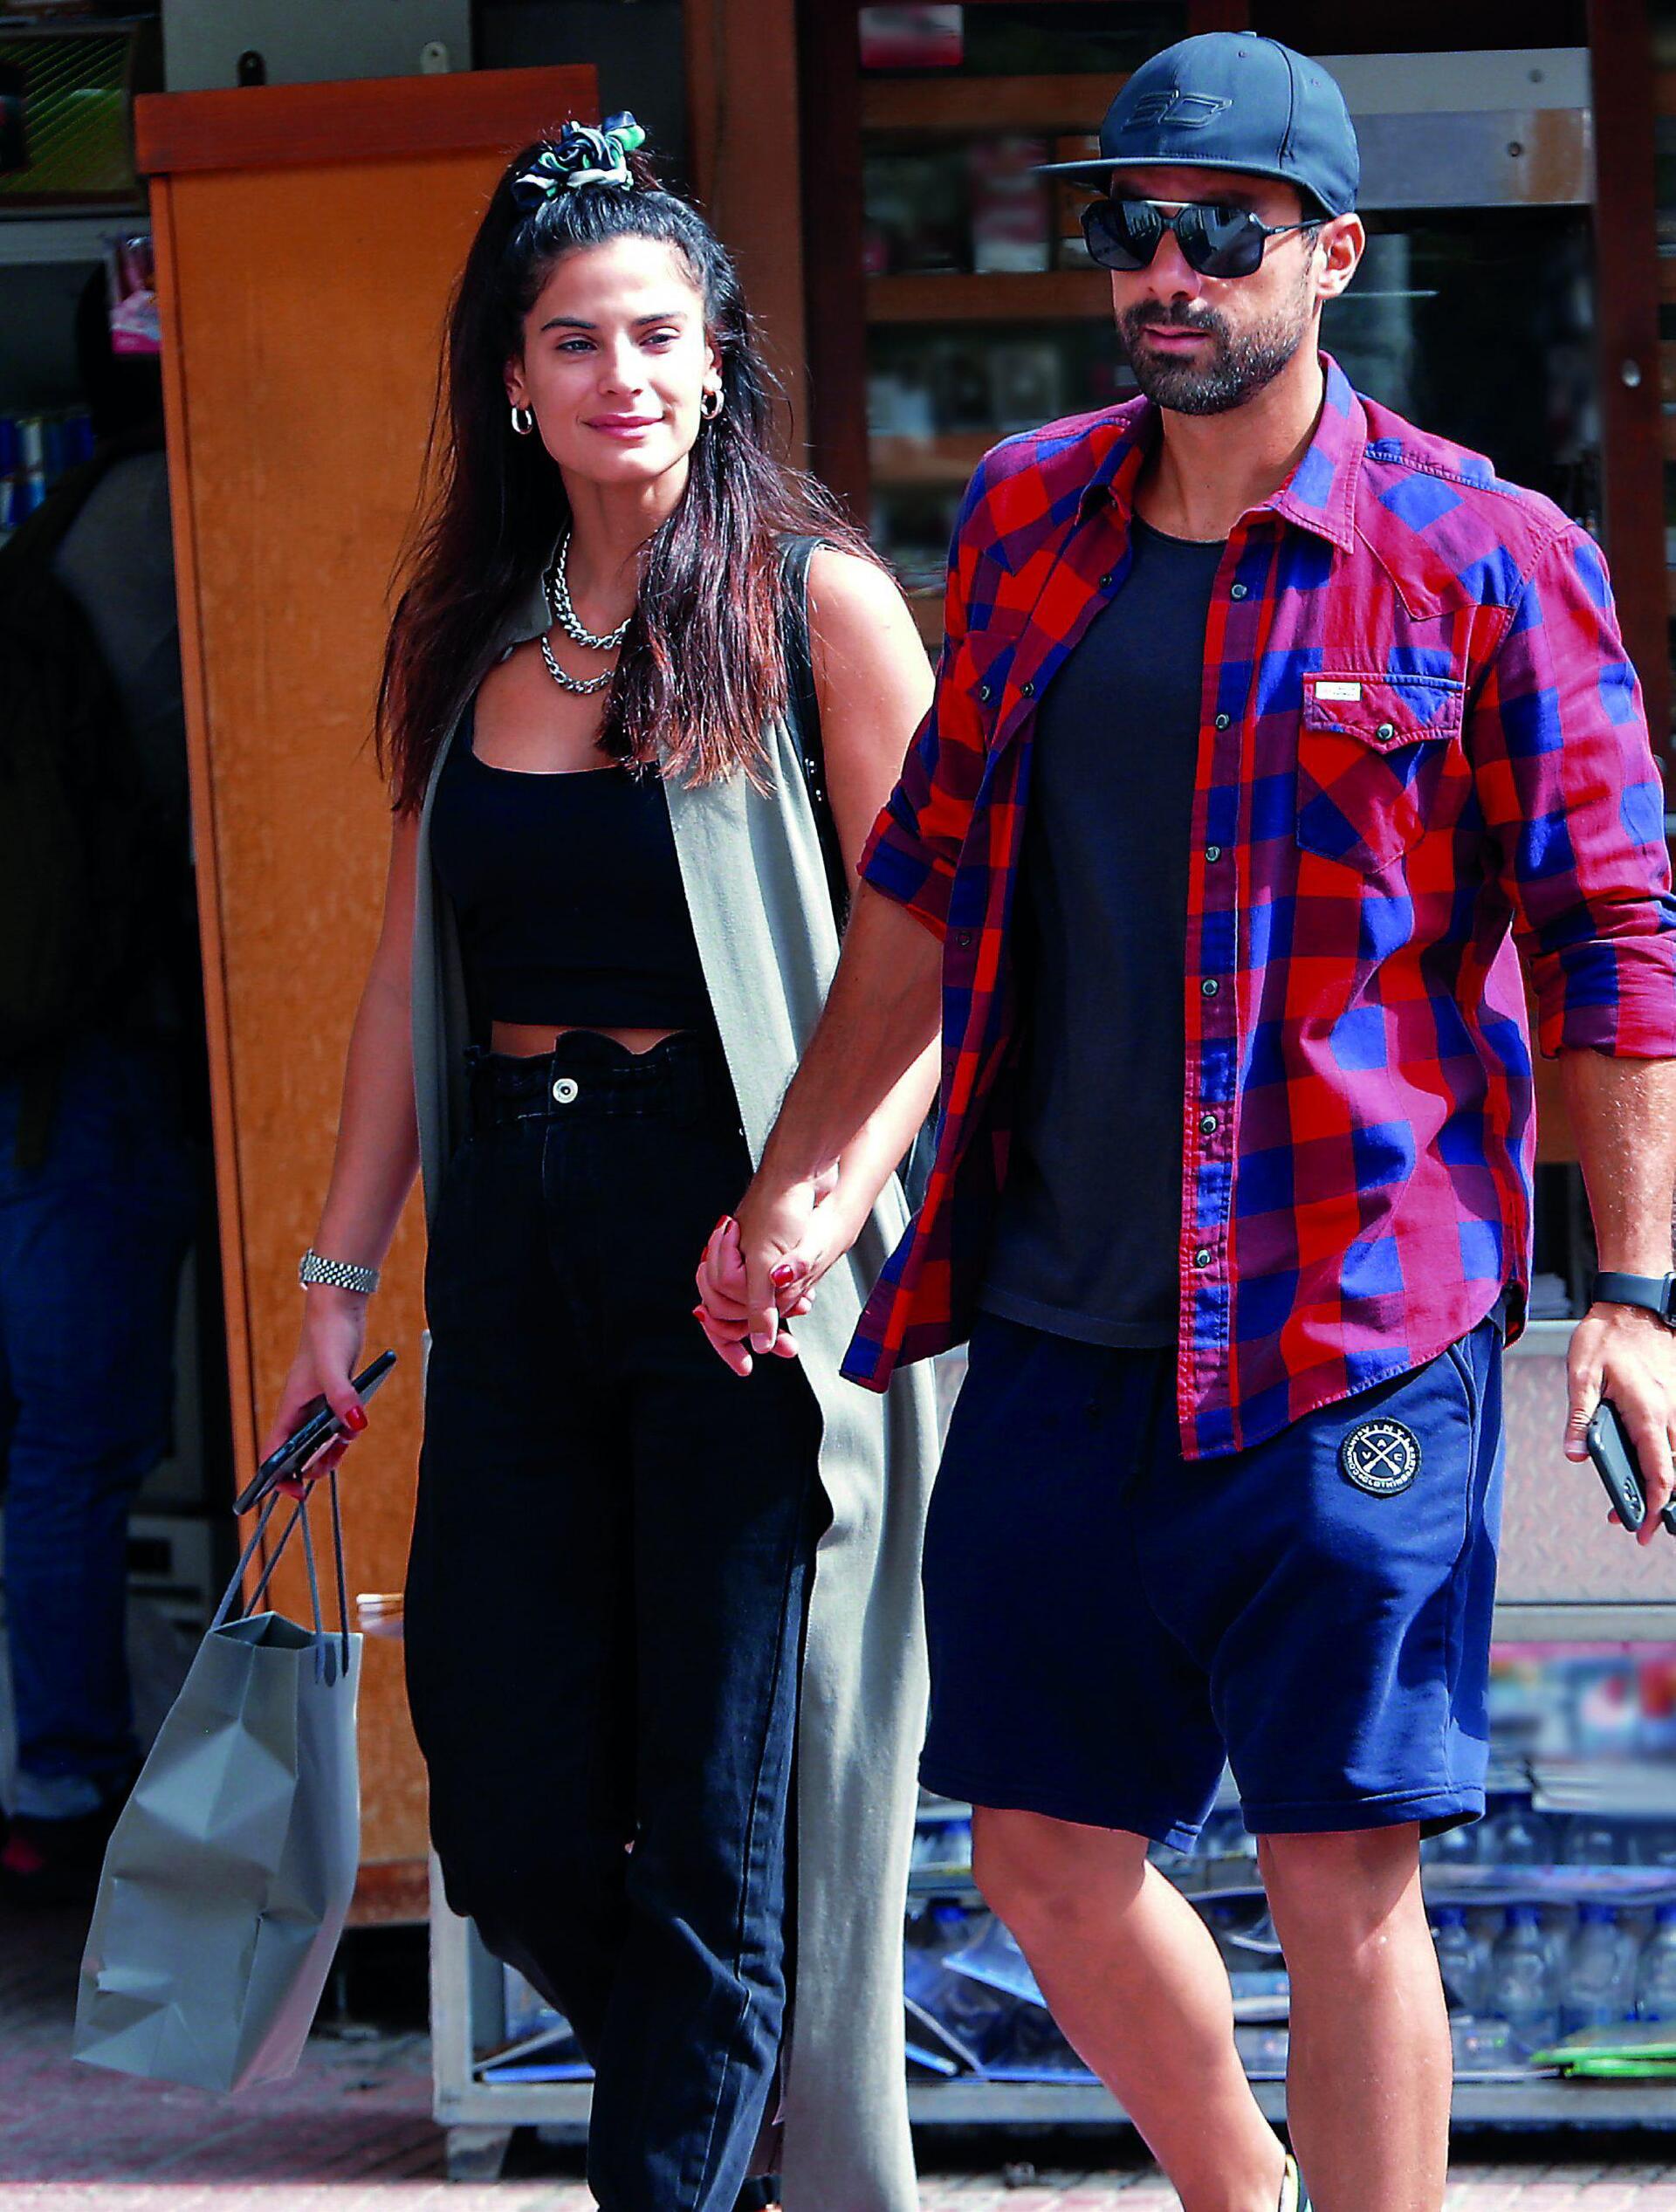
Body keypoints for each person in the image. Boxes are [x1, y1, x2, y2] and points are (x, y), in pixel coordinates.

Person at [699, 35, 1676, 2212]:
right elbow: (923, 884)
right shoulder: (1032, 513)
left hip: (1353, 1326)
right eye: (1131, 225)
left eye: (1221, 232)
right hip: (1064, 1315)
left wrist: (1635, 1293)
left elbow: (1615, 934)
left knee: (1342, 1869)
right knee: (1040, 1851)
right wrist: (798, 1181)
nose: (1167, 269)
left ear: (1333, 257)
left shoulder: (1486, 553)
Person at [262, 116, 940, 2212]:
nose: (621, 374)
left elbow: (948, 957)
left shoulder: (819, 607)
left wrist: (816, 1193)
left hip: (739, 1239)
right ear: (515, 378)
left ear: (718, 358)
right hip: (519, 1240)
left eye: (657, 335)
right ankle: (728, 2113)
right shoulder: (475, 630)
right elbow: (405, 978)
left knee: (720, 1825)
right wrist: (337, 1278)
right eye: (575, 339)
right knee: (510, 1806)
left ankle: (688, 2156)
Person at [0, 271, 200, 1903]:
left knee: (66, 1437)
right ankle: (72, 1779)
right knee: (89, 1439)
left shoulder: (52, 528)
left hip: (48, 1065)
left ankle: (64, 1775)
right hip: (120, 1058)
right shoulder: (173, 527)